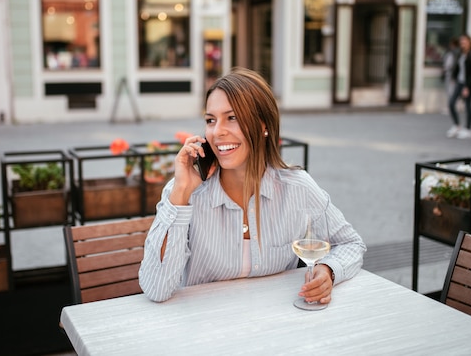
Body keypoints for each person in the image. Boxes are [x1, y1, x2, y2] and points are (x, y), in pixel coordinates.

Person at [138, 67, 366, 303]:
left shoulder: (297, 188)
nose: (217, 132)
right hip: (203, 328)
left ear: (263, 125)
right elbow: (157, 289)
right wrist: (180, 194)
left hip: (274, 325)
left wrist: (329, 269)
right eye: (210, 120)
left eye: (232, 118)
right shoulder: (185, 193)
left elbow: (351, 244)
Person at [446, 34, 471, 139]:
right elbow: (458, 68)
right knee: (451, 103)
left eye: (465, 41)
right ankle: (457, 125)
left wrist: (467, 87)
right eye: (461, 42)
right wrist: (454, 78)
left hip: (468, 84)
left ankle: (468, 129)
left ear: (470, 42)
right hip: (459, 82)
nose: (463, 43)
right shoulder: (460, 54)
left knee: (468, 105)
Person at [441, 37, 459, 114]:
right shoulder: (453, 52)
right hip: (450, 74)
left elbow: (451, 65)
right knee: (450, 92)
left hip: (451, 74)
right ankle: (451, 107)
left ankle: (451, 108)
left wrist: (446, 69)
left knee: (450, 92)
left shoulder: (454, 53)